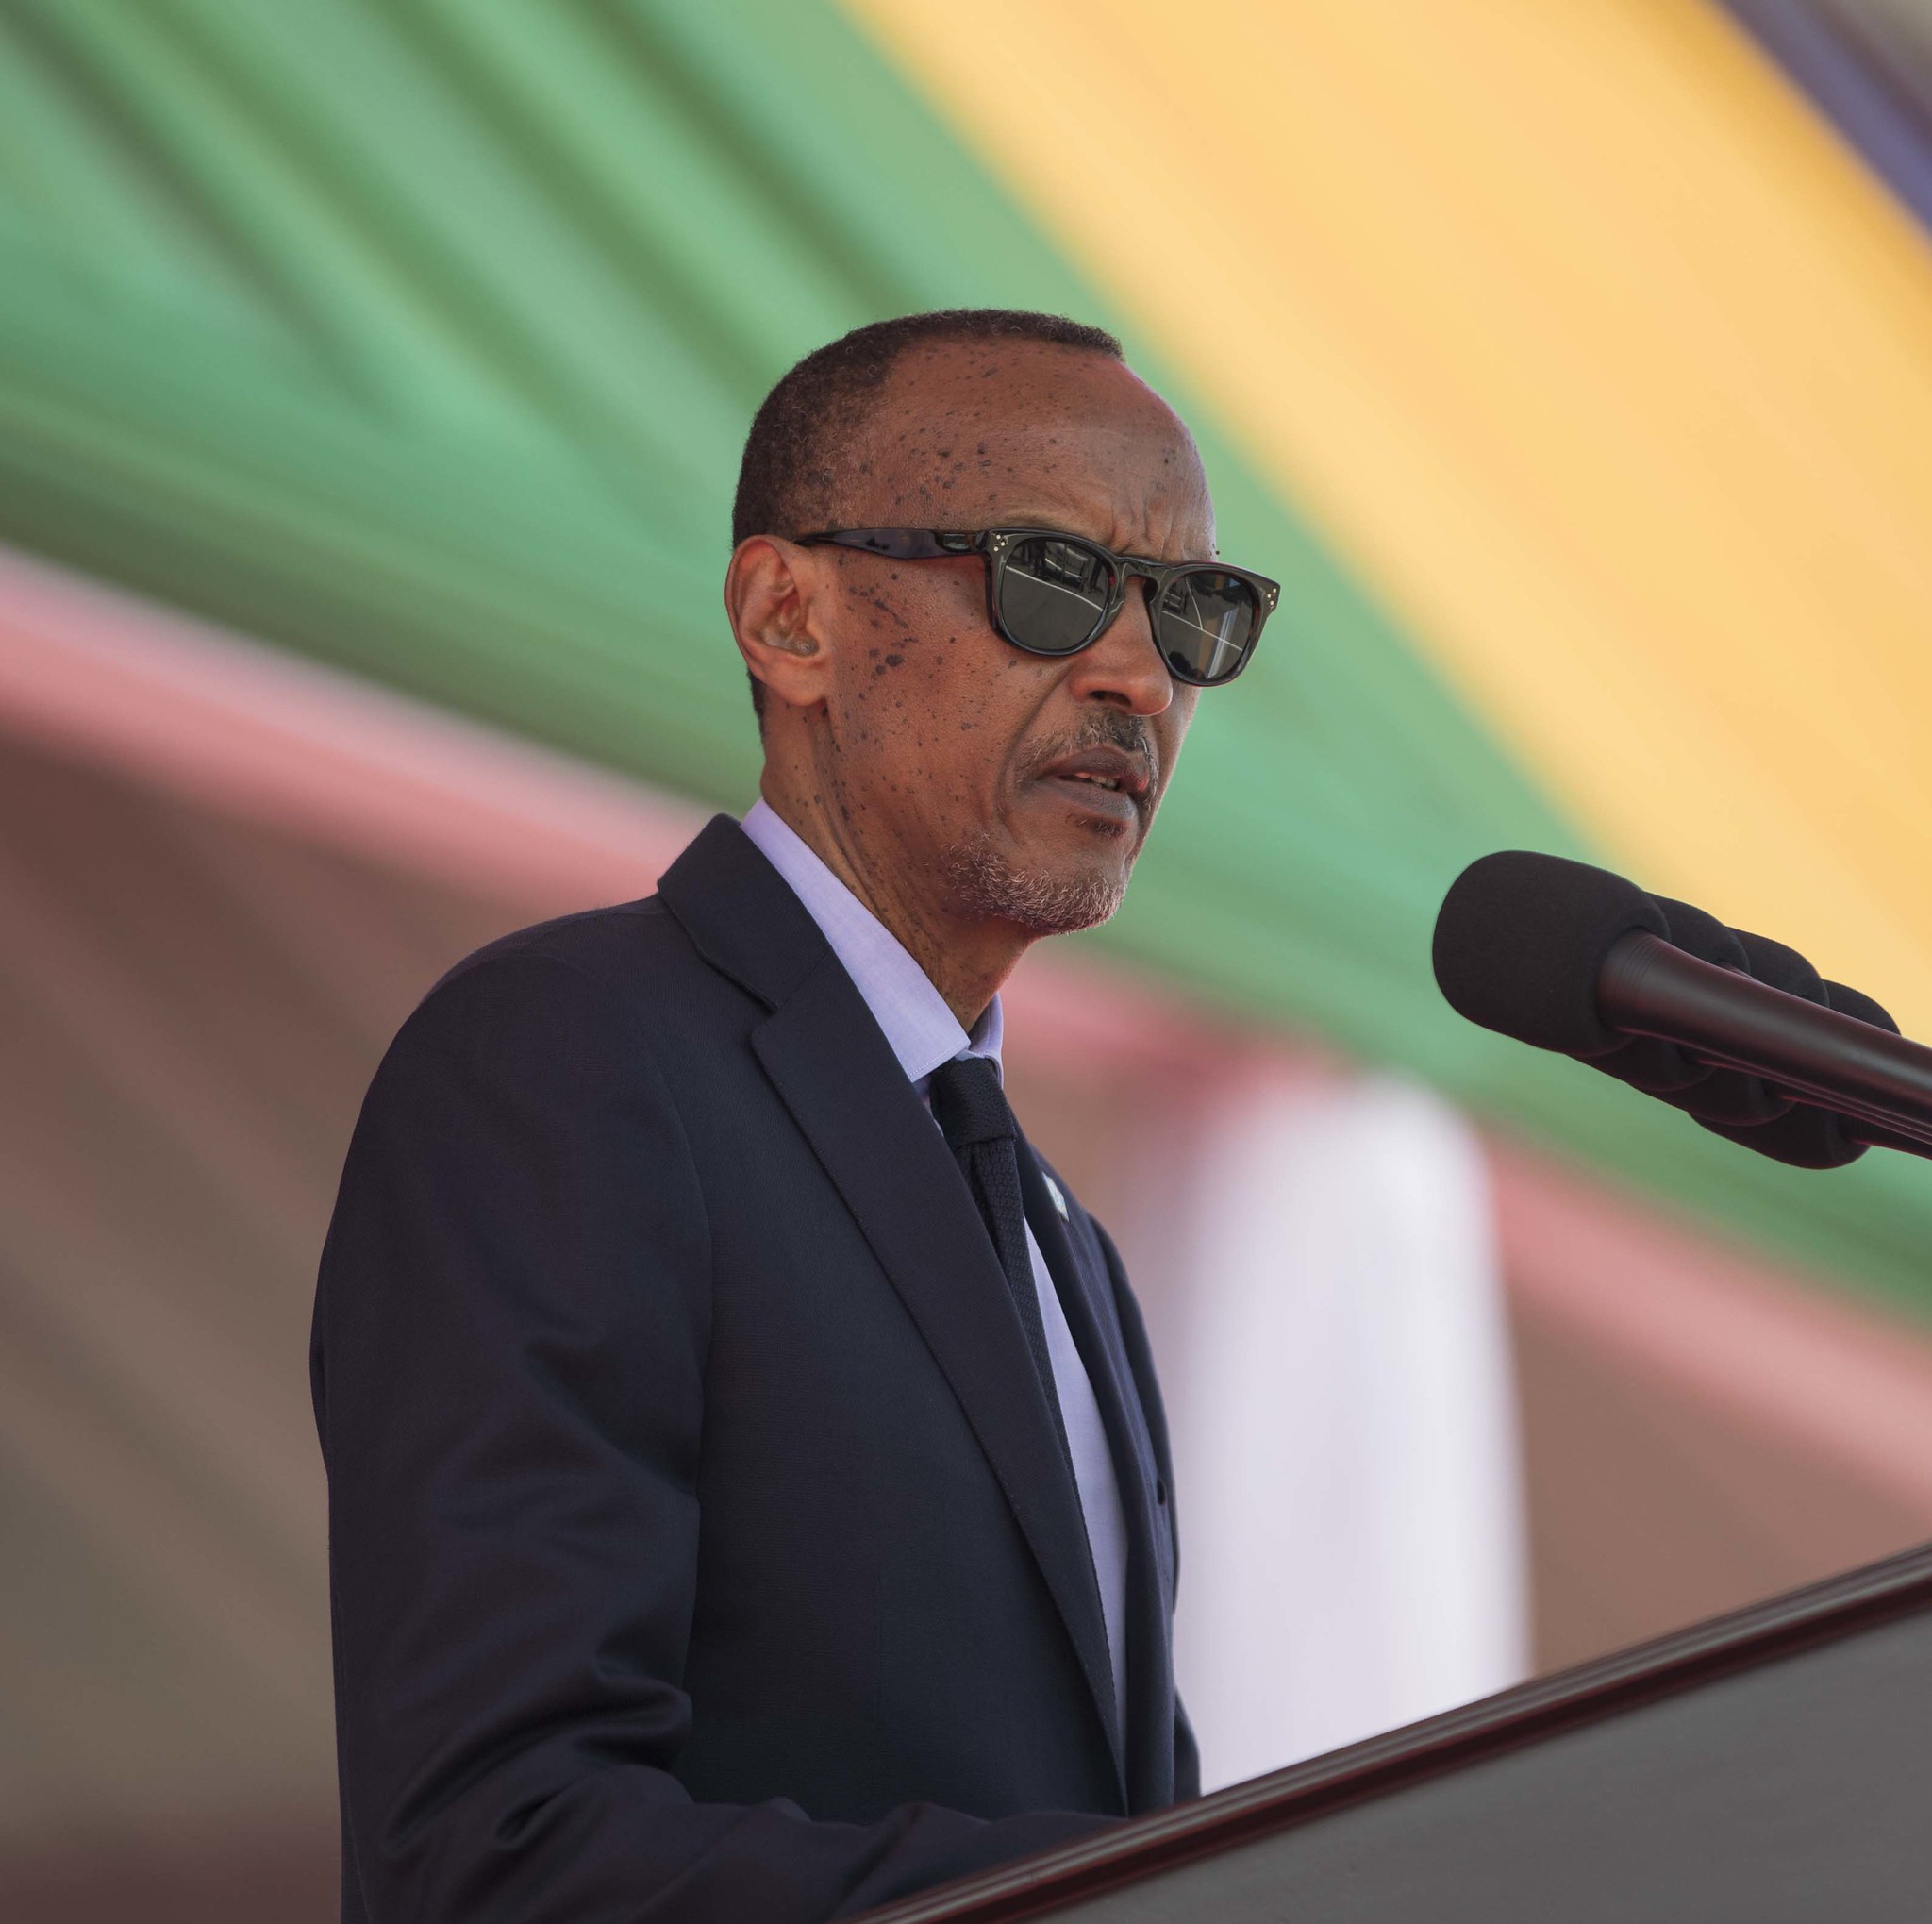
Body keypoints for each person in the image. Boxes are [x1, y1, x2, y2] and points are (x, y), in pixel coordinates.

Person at [311, 309, 1279, 1922]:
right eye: (1050, 576)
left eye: (1191, 613)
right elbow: (493, 1857)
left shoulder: (1070, 1252)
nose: (1137, 677)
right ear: (790, 618)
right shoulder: (568, 1061)